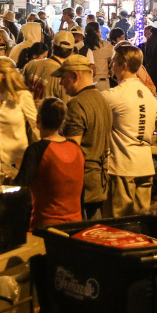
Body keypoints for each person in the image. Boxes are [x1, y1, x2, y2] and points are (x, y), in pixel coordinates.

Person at [13, 98, 85, 230]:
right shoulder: (76, 147)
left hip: (46, 227)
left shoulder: (37, 150)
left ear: (38, 119)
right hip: (76, 225)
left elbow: (20, 187)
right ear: (63, 121)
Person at [102, 47, 157, 215]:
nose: (111, 66)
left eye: (113, 62)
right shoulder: (149, 95)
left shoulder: (114, 95)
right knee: (141, 220)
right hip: (145, 164)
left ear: (123, 66)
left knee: (118, 221)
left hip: (123, 165)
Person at [60, 55, 111, 218]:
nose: (61, 82)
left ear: (75, 76)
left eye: (63, 77)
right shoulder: (102, 99)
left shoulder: (77, 104)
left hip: (83, 183)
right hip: (100, 180)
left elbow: (72, 150)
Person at [23, 30, 75, 105]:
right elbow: (66, 108)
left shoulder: (31, 64)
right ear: (72, 50)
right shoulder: (64, 78)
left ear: (52, 46)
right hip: (47, 116)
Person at [82, 21, 114, 91]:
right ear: (98, 32)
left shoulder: (82, 46)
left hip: (85, 82)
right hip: (101, 82)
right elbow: (114, 58)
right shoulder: (105, 46)